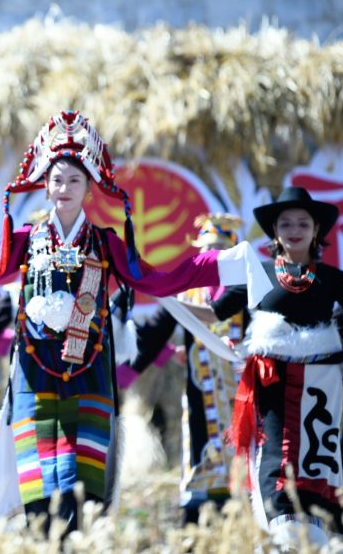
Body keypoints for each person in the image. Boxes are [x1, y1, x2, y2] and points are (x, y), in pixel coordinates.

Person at [0, 110, 270, 536]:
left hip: (89, 373)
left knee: (81, 493)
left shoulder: (105, 241)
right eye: (56, 179)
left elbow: (158, 279)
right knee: (38, 495)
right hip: (35, 375)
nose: (64, 188)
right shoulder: (24, 241)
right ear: (44, 185)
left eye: (74, 179)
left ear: (90, 187)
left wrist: (230, 263)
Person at [208, 188, 343, 546]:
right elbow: (215, 314)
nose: (294, 229)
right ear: (274, 232)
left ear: (317, 230)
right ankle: (282, 537)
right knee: (275, 470)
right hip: (272, 389)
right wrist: (165, 292)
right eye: (285, 223)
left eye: (303, 222)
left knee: (319, 471)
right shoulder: (258, 274)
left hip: (323, 391)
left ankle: (318, 538)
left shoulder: (332, 278)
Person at [127, 213, 247, 525]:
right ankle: (197, 514)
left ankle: (242, 517)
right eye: (206, 249)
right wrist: (123, 370)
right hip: (200, 392)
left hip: (243, 391)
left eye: (220, 248)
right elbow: (153, 334)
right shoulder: (188, 292)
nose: (212, 255)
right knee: (199, 445)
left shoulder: (246, 288)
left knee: (243, 452)